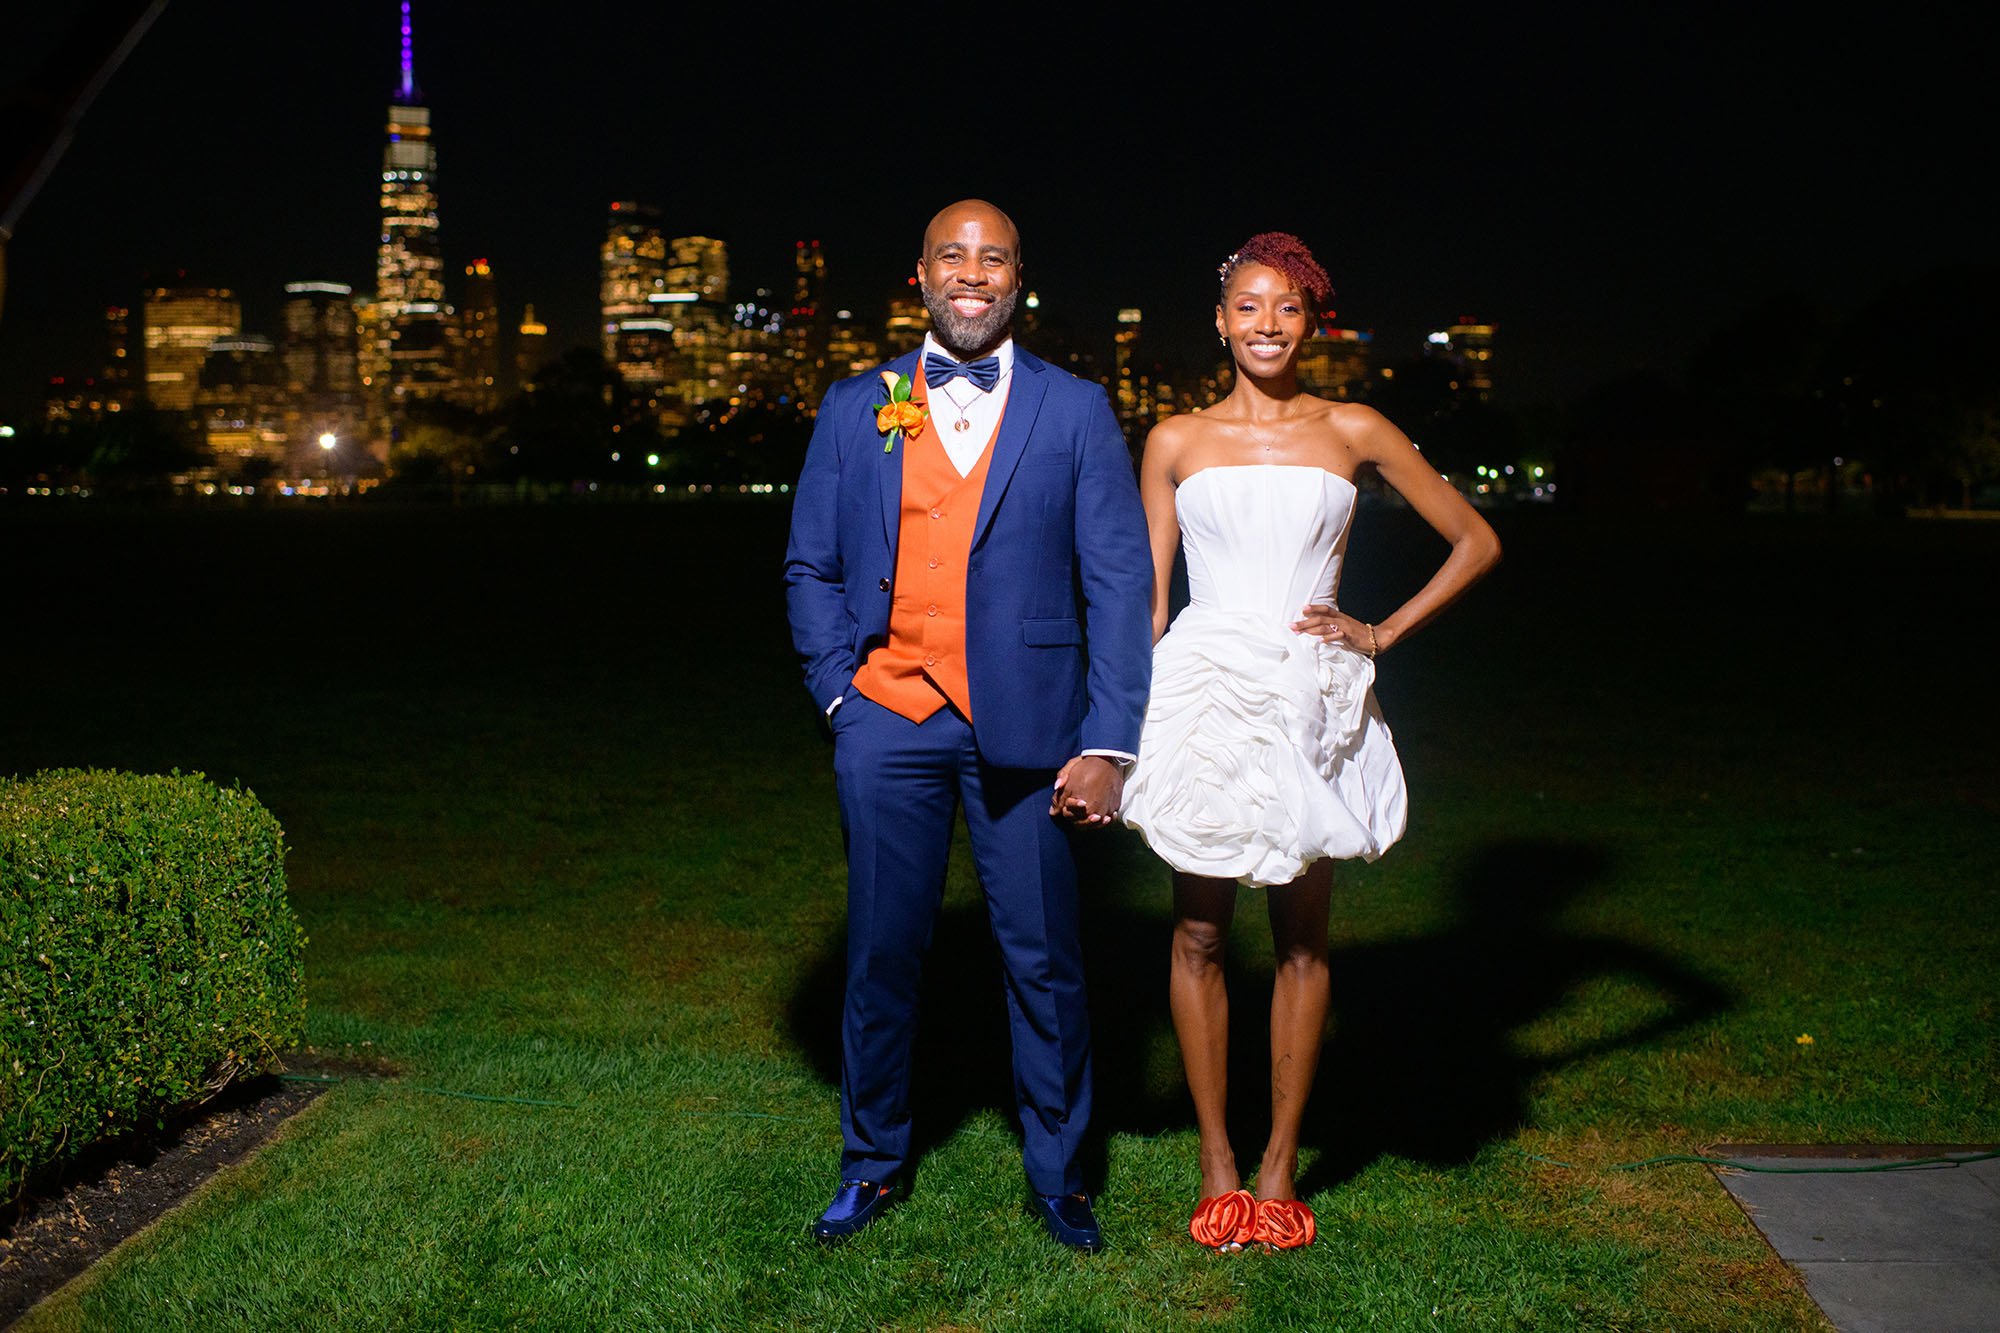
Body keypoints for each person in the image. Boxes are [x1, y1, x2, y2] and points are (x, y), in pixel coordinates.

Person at [783, 199, 1153, 1252]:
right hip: (885, 719)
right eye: (954, 254)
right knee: (880, 955)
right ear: (921, 274)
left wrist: (1108, 738)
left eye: (994, 257)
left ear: (1017, 279)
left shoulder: (1075, 409)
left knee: (1042, 959)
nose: (973, 272)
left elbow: (1117, 584)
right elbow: (808, 563)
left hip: (1031, 728)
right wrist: (836, 694)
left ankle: (1060, 1174)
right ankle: (871, 1162)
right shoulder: (857, 403)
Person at [1121, 232, 1501, 1251]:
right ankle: (1216, 1164)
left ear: (1309, 321)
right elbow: (1147, 608)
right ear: (1217, 319)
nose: (1265, 325)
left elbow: (1477, 541)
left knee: (1300, 939)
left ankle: (1280, 1166)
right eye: (1247, 306)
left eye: (1285, 308)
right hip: (1204, 689)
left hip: (1305, 694)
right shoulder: (1171, 439)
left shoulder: (1353, 427)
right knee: (1197, 930)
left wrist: (1376, 632)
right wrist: (1112, 734)